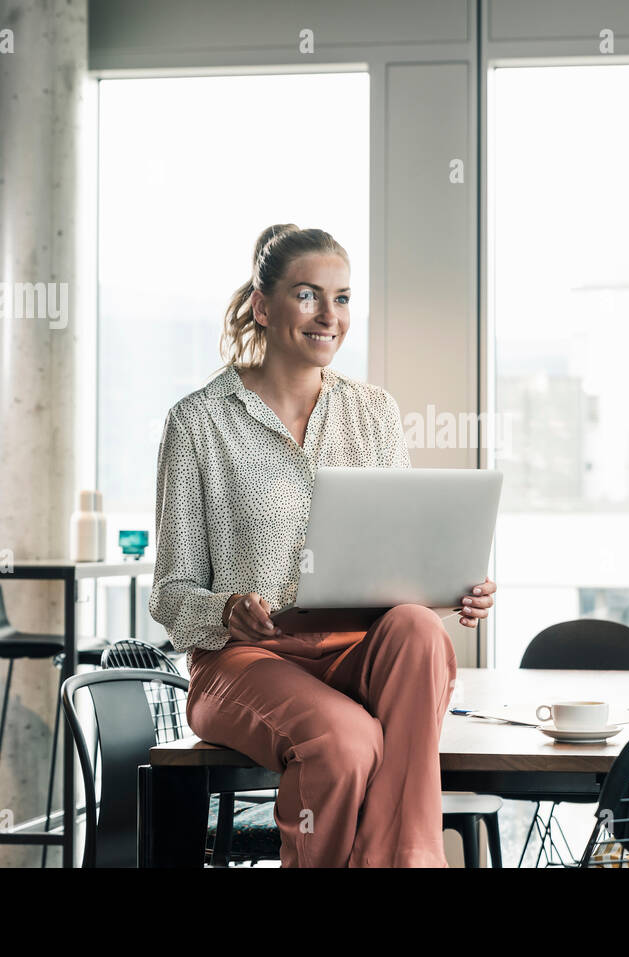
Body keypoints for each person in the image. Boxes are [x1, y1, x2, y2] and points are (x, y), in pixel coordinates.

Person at [148, 223, 496, 867]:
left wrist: (452, 588)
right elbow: (169, 593)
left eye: (341, 299)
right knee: (346, 739)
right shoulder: (198, 422)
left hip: (356, 649)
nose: (328, 317)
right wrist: (225, 609)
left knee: (421, 629)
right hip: (245, 660)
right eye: (308, 295)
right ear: (263, 304)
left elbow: (399, 558)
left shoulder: (375, 412)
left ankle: (398, 859)